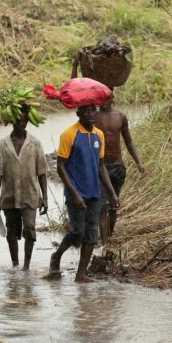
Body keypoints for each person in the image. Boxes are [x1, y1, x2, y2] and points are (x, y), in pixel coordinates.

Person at [48, 104, 119, 282]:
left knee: (91, 234)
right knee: (77, 232)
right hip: (75, 192)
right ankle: (56, 256)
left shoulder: (98, 135)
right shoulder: (69, 134)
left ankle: (81, 274)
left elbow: (101, 167)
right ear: (78, 113)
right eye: (86, 111)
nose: (91, 114)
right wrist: (75, 194)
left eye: (93, 110)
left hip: (95, 192)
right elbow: (60, 166)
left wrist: (112, 193)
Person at [0, 104, 48, 271]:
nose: (20, 124)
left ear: (27, 121)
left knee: (30, 229)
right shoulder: (4, 144)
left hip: (30, 195)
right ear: (12, 121)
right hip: (9, 196)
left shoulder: (35, 143)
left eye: (23, 120)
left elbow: (42, 172)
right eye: (17, 121)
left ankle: (26, 267)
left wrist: (45, 198)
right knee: (11, 232)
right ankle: (15, 264)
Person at [95, 92, 147, 244]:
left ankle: (109, 237)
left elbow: (128, 141)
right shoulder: (93, 117)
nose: (103, 102)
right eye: (100, 98)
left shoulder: (120, 116)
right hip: (100, 167)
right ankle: (104, 244)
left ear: (112, 97)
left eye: (106, 98)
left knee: (114, 204)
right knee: (102, 206)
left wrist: (138, 162)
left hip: (117, 167)